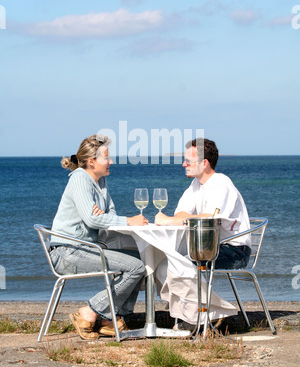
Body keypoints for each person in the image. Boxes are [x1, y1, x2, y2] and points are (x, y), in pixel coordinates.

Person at [50, 134, 148, 340]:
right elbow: (93, 220)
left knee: (142, 262)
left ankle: (109, 319)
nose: (111, 161)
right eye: (106, 157)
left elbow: (108, 216)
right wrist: (128, 221)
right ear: (91, 161)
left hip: (86, 248)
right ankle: (90, 313)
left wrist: (102, 217)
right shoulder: (79, 179)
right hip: (67, 252)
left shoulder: (100, 182)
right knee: (136, 268)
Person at [155, 138, 251, 270]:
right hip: (207, 247)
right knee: (163, 262)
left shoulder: (221, 184)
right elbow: (179, 214)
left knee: (174, 265)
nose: (184, 164)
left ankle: (203, 292)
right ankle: (195, 291)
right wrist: (179, 219)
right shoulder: (196, 184)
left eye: (188, 161)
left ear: (204, 163)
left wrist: (170, 220)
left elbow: (209, 219)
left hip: (234, 251)